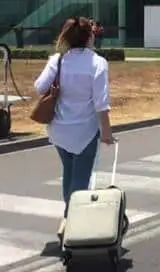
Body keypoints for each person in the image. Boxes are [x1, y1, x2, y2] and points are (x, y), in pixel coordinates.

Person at [33, 16, 115, 240]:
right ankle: (71, 222)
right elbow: (101, 103)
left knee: (69, 173)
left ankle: (69, 216)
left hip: (59, 129)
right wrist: (106, 132)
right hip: (85, 130)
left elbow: (39, 87)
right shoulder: (97, 63)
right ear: (90, 37)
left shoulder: (58, 60)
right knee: (80, 178)